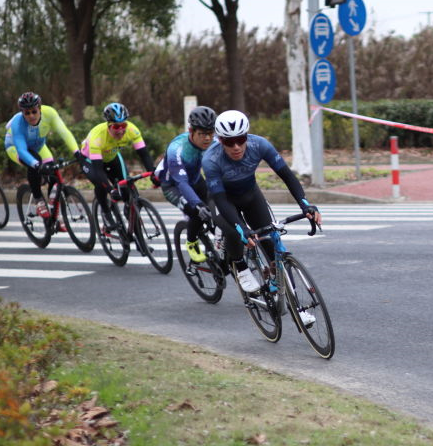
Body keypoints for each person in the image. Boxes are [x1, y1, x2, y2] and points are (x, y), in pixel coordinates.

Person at [201, 110, 320, 322]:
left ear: (247, 136)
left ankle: (295, 307)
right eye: (230, 142)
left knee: (273, 246)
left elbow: (287, 176)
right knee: (234, 231)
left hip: (250, 195)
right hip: (222, 200)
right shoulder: (211, 159)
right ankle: (240, 265)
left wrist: (305, 205)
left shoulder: (260, 145)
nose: (236, 146)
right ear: (220, 140)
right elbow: (220, 199)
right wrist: (242, 229)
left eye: (240, 139)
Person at [79, 102, 158, 228]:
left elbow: (144, 154)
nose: (121, 130)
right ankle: (106, 212)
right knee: (100, 184)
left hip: (112, 157)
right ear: (109, 125)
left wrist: (153, 174)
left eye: (123, 125)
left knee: (127, 186)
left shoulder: (132, 130)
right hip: (90, 161)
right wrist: (111, 190)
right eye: (116, 127)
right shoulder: (97, 137)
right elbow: (99, 170)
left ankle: (131, 215)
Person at [5, 91, 81, 221]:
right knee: (35, 165)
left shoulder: (50, 113)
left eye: (34, 111)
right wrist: (37, 165)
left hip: (39, 146)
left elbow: (64, 133)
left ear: (40, 108)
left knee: (53, 173)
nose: (31, 116)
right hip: (16, 148)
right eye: (27, 113)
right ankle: (38, 199)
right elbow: (22, 150)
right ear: (22, 113)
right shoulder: (17, 123)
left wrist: (77, 152)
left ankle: (53, 214)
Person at [154, 106, 216, 263]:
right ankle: (192, 241)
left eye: (210, 133)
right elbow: (181, 183)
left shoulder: (214, 142)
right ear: (191, 131)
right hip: (174, 186)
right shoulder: (177, 149)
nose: (207, 138)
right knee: (197, 211)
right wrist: (198, 204)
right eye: (202, 133)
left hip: (195, 180)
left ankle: (217, 242)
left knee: (216, 205)